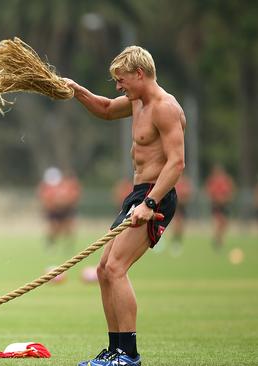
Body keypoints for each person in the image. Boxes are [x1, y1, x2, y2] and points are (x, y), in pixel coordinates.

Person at [63, 45, 185, 366]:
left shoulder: (165, 107)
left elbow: (176, 163)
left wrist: (149, 202)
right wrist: (76, 90)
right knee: (104, 270)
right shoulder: (137, 103)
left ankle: (128, 356)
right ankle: (115, 350)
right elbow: (104, 109)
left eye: (121, 79)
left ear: (139, 74)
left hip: (155, 198)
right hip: (137, 195)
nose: (118, 86)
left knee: (116, 268)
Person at [205, 165, 235, 250]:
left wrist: (225, 199)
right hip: (216, 205)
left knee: (224, 223)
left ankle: (219, 239)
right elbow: (210, 193)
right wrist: (217, 199)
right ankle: (217, 240)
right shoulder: (212, 181)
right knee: (217, 222)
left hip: (225, 205)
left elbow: (230, 192)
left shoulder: (226, 180)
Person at [170, 175, 193, 255]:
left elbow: (187, 194)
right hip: (176, 205)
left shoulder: (184, 183)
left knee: (181, 224)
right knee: (176, 223)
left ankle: (178, 240)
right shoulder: (174, 181)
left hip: (182, 206)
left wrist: (184, 198)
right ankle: (175, 240)